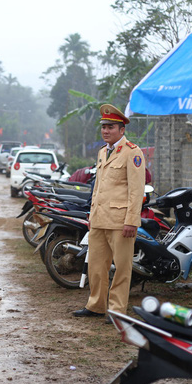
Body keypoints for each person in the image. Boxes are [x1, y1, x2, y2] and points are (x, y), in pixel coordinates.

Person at [72, 104, 145, 322]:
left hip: (121, 221)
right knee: (95, 266)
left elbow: (136, 190)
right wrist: (92, 214)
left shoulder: (133, 152)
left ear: (122, 130)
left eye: (111, 127)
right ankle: (96, 305)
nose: (105, 131)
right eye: (103, 127)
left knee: (122, 268)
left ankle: (116, 311)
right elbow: (99, 187)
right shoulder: (103, 152)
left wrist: (132, 220)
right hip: (99, 219)